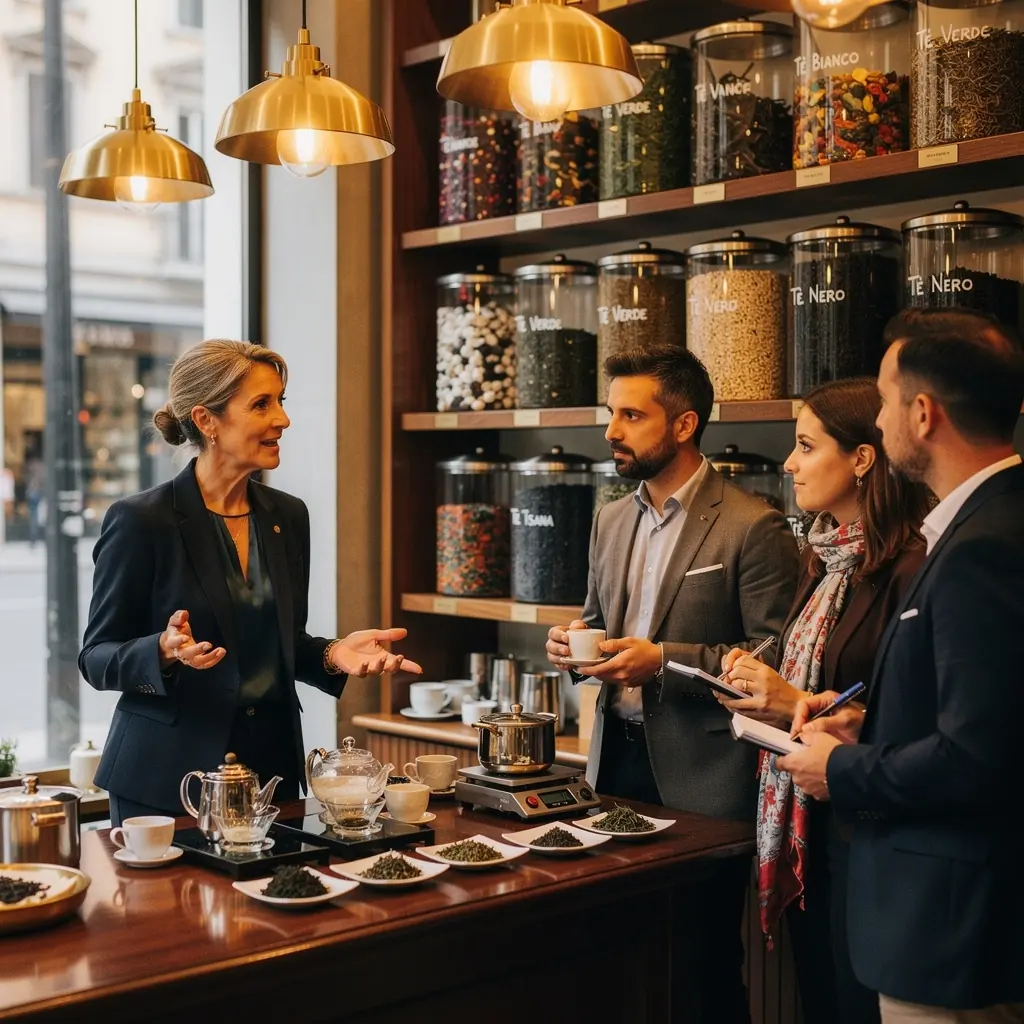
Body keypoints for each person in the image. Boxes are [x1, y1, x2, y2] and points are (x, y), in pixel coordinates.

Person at [781, 309, 1024, 1024]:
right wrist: (869, 724)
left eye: (885, 402)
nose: (879, 423)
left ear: (923, 414)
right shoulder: (983, 525)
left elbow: (981, 757)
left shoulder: (986, 547)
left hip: (953, 933)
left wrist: (842, 769)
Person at [545, 344, 800, 1024]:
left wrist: (663, 661)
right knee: (619, 950)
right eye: (611, 413)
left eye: (631, 415)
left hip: (704, 775)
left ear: (684, 425)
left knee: (703, 957)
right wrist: (573, 648)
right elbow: (601, 623)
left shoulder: (754, 524)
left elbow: (774, 658)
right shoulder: (610, 517)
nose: (611, 431)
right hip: (614, 763)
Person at [80, 340, 422, 827]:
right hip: (166, 785)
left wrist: (333, 654)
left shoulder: (288, 516)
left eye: (281, 401)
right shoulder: (141, 521)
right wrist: (161, 649)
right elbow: (95, 658)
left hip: (270, 779)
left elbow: (277, 646)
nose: (281, 419)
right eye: (261, 404)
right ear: (206, 421)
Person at [715, 378, 932, 1024]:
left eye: (806, 446)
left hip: (864, 839)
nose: (788, 464)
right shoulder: (819, 558)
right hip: (807, 828)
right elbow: (805, 675)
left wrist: (795, 698)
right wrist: (760, 685)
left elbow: (906, 715)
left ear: (862, 459)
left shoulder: (913, 567)